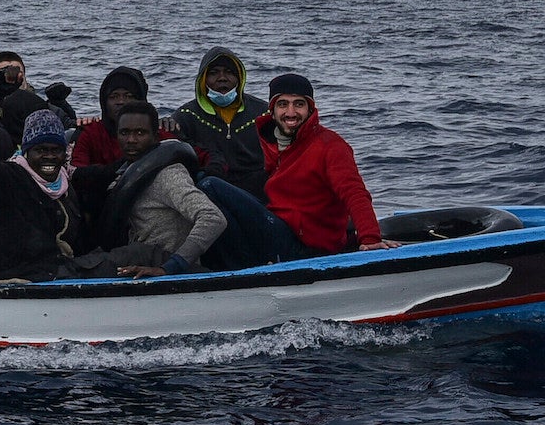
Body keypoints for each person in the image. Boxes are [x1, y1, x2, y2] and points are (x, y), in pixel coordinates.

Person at [0, 94, 166, 282]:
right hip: (23, 276)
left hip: (61, 268)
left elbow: (101, 174)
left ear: (65, 153)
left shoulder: (64, 183)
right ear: (26, 152)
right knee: (139, 256)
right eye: (40, 150)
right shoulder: (9, 180)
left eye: (56, 150)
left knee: (143, 253)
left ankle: (185, 274)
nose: (49, 157)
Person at [87, 102, 229, 276]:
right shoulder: (121, 177)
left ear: (155, 137)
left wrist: (170, 267)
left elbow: (213, 219)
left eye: (140, 133)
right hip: (135, 262)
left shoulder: (168, 175)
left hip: (167, 267)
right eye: (125, 133)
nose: (131, 140)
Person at [256, 74, 390, 257]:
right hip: (276, 229)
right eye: (282, 104)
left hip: (310, 245)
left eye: (299, 104)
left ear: (310, 109)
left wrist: (370, 238)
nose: (290, 112)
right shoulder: (267, 143)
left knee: (214, 186)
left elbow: (353, 192)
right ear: (272, 110)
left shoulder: (330, 145)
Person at [175, 47, 266, 199]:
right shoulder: (186, 116)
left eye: (229, 72)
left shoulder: (263, 112)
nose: (222, 78)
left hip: (259, 196)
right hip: (210, 195)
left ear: (239, 77)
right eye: (213, 73)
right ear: (203, 79)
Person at [71, 66, 151, 169]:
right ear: (104, 102)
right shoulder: (89, 133)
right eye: (114, 96)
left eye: (129, 96)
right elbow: (76, 173)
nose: (121, 102)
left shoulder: (158, 131)